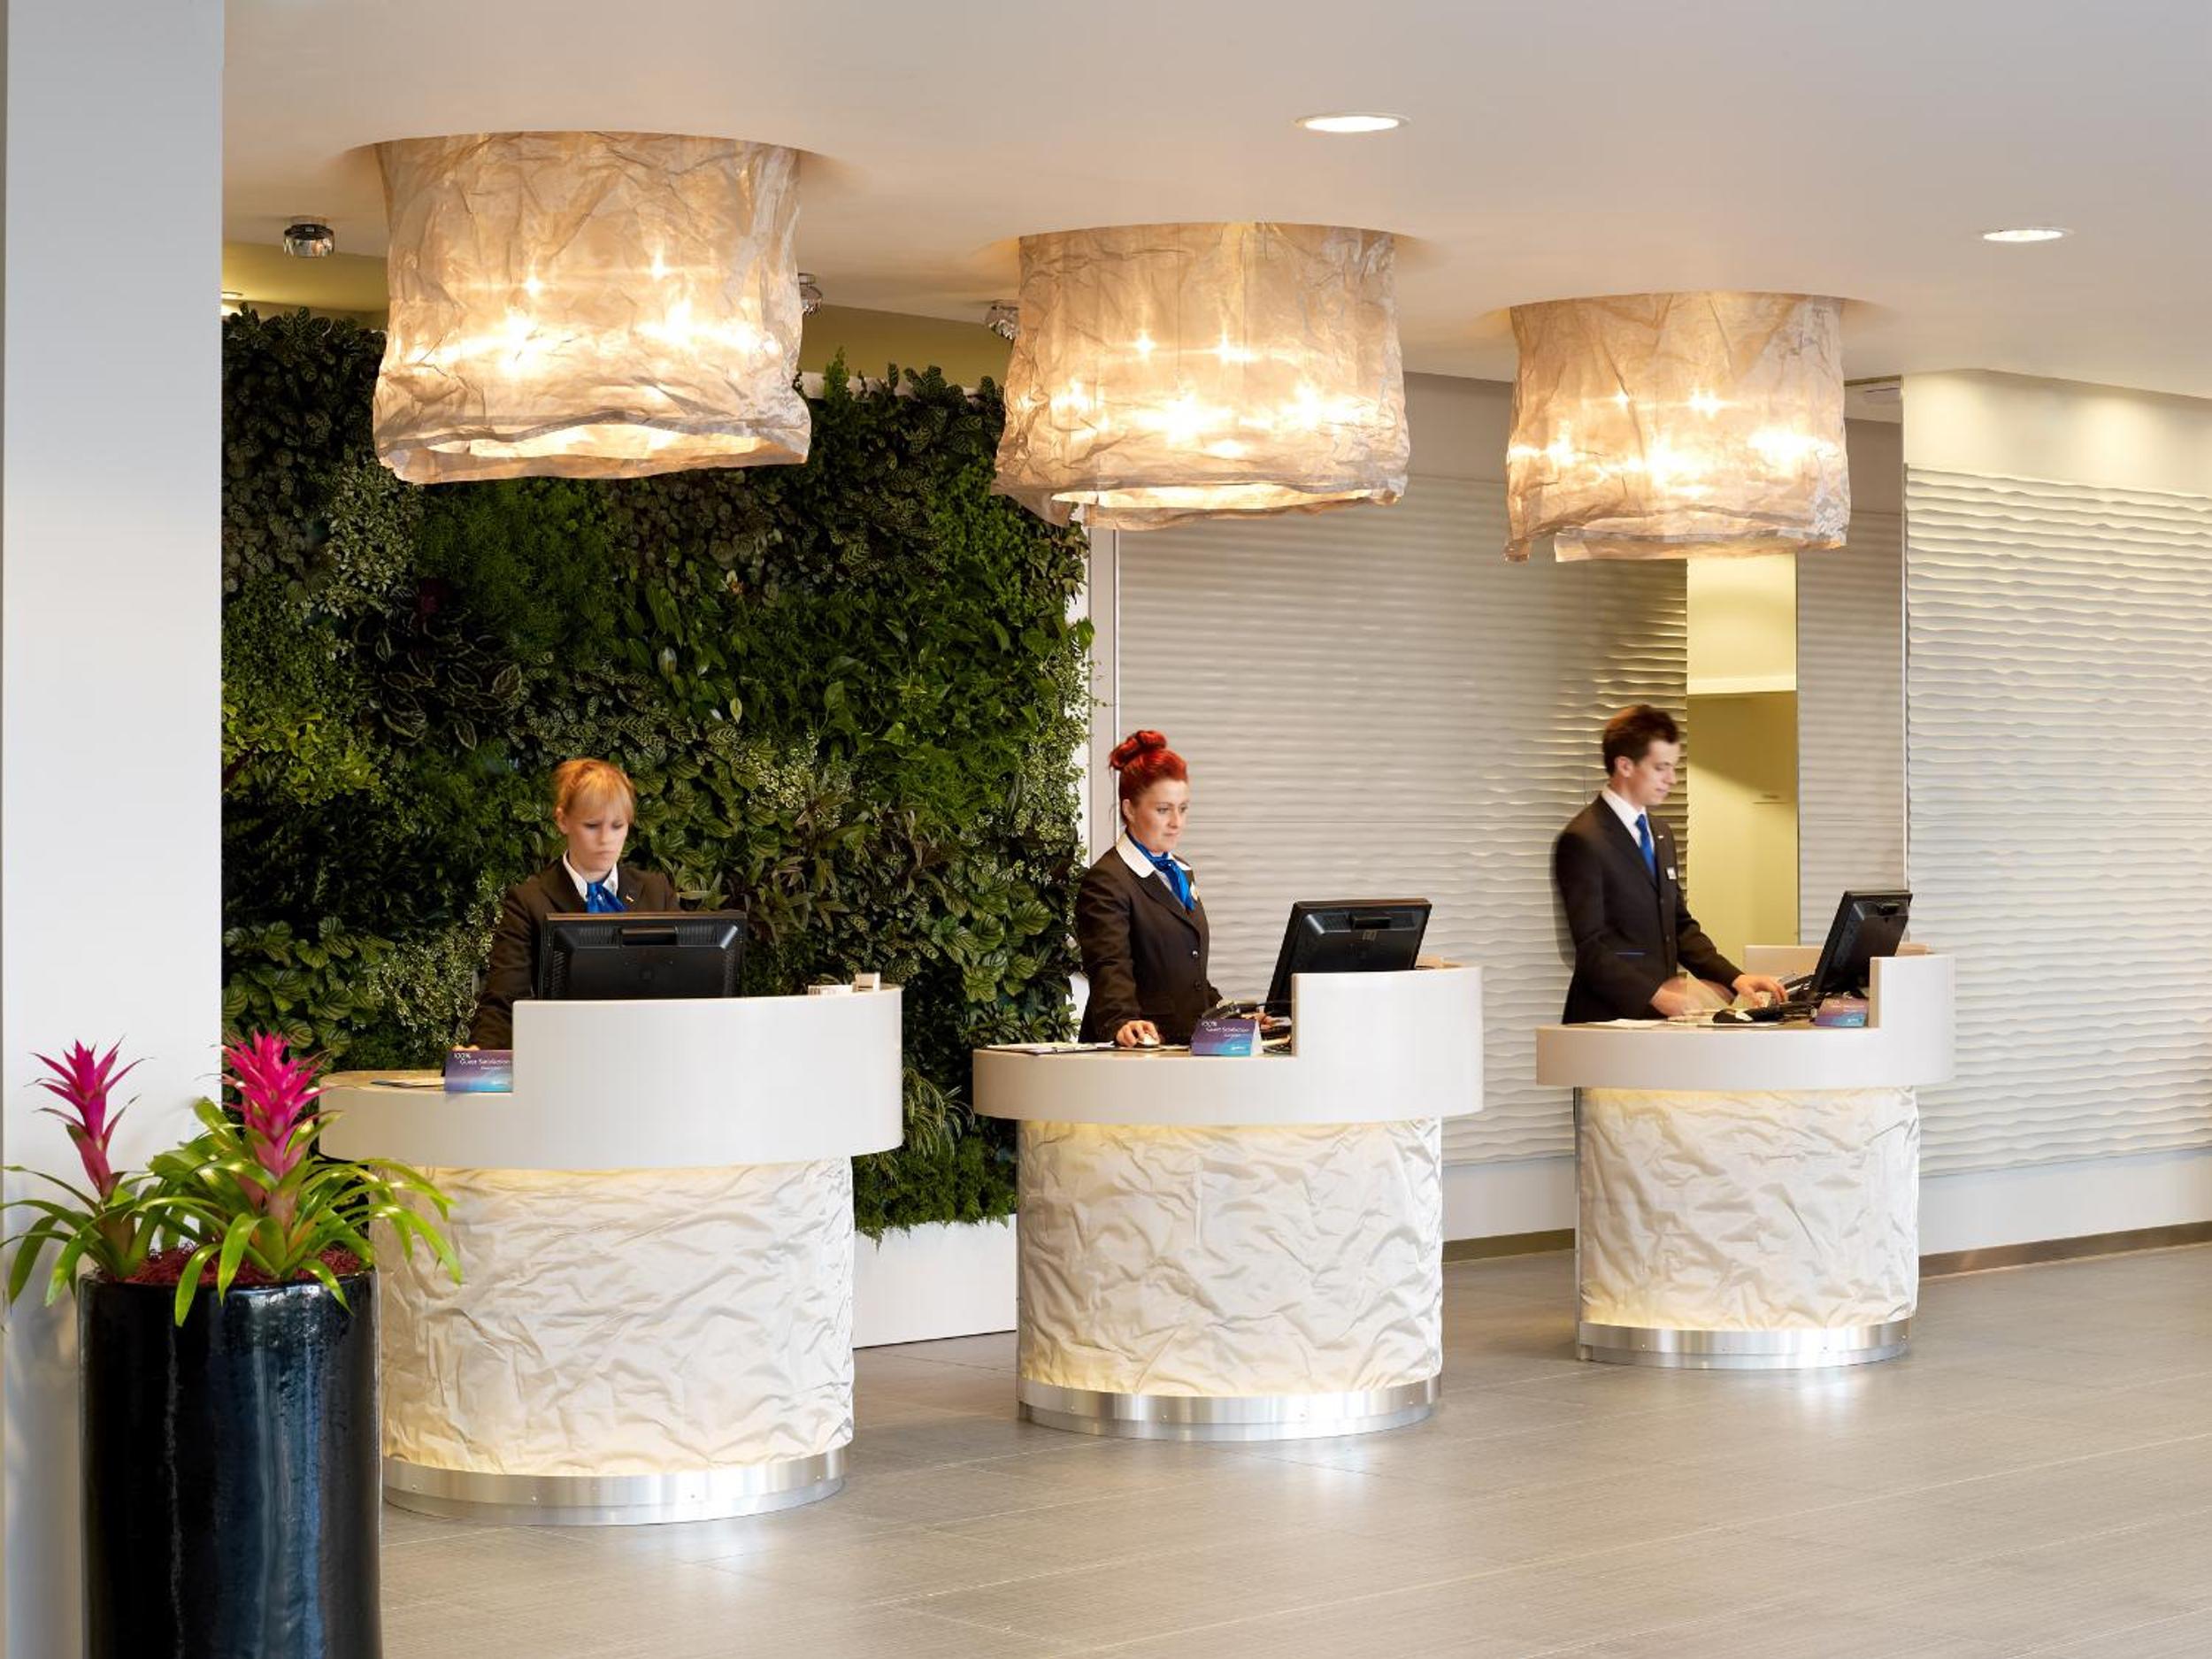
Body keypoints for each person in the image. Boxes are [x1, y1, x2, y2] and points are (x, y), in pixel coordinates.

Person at [1554, 705, 1790, 1023]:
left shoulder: (1660, 833)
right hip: (1603, 1022)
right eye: (1661, 768)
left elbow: (1679, 926)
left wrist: (1735, 978)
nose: (1671, 779)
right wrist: (1657, 996)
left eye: (1673, 767)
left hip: (1656, 1024)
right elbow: (1590, 949)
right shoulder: (1583, 839)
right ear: (1625, 765)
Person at [468, 757, 680, 1048]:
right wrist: (479, 1059)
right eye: (592, 825)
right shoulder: (528, 901)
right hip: (561, 1056)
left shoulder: (657, 892)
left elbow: (686, 991)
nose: (606, 839)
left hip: (648, 1053)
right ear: (562, 820)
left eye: (617, 826)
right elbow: (505, 1001)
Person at [1076, 730, 1221, 1048]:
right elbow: (1109, 965)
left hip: (1183, 1045)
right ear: (1129, 809)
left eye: (1183, 808)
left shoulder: (1180, 871)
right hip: (1137, 1048)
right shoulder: (1107, 880)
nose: (1176, 822)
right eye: (1163, 809)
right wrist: (1121, 1020)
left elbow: (1187, 975)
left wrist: (1231, 1016)